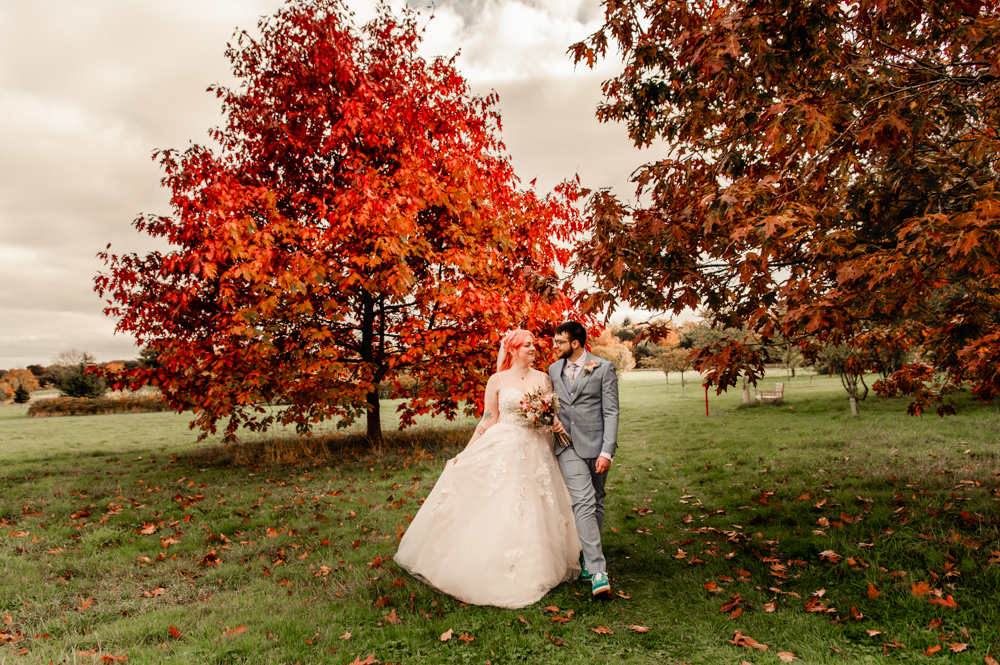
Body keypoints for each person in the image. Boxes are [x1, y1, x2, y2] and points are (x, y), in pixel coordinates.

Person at [394, 329, 582, 609]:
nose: (534, 348)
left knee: (532, 507)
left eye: (534, 345)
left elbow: (548, 415)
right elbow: (488, 419)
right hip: (503, 446)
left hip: (535, 451)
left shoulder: (543, 378)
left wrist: (548, 421)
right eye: (528, 345)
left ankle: (534, 563)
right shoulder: (497, 380)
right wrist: (465, 452)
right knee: (500, 504)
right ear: (514, 349)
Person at [548, 321, 619, 597]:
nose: (555, 347)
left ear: (575, 344)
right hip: (567, 446)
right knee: (583, 500)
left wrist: (606, 451)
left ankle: (588, 558)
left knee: (597, 499)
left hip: (597, 446)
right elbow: (550, 402)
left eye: (559, 342)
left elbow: (611, 412)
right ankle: (598, 570)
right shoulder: (554, 370)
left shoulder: (603, 368)